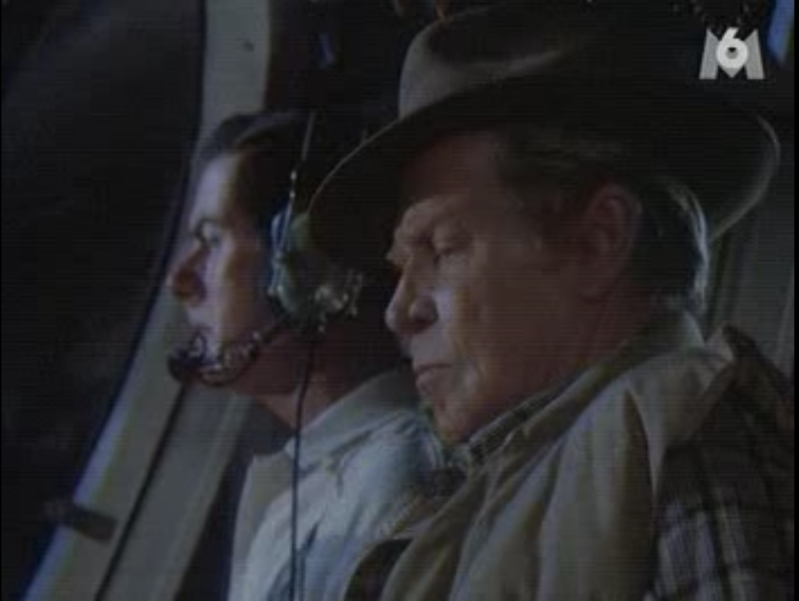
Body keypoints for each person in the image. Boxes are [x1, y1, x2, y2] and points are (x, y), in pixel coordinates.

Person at [307, 2, 794, 599]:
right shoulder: (486, 490)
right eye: (401, 268)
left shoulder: (683, 439)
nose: (400, 310)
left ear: (598, 240)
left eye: (443, 247)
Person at [167, 111, 443, 601]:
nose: (181, 281)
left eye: (212, 241)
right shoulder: (296, 500)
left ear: (307, 266)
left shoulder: (399, 482)